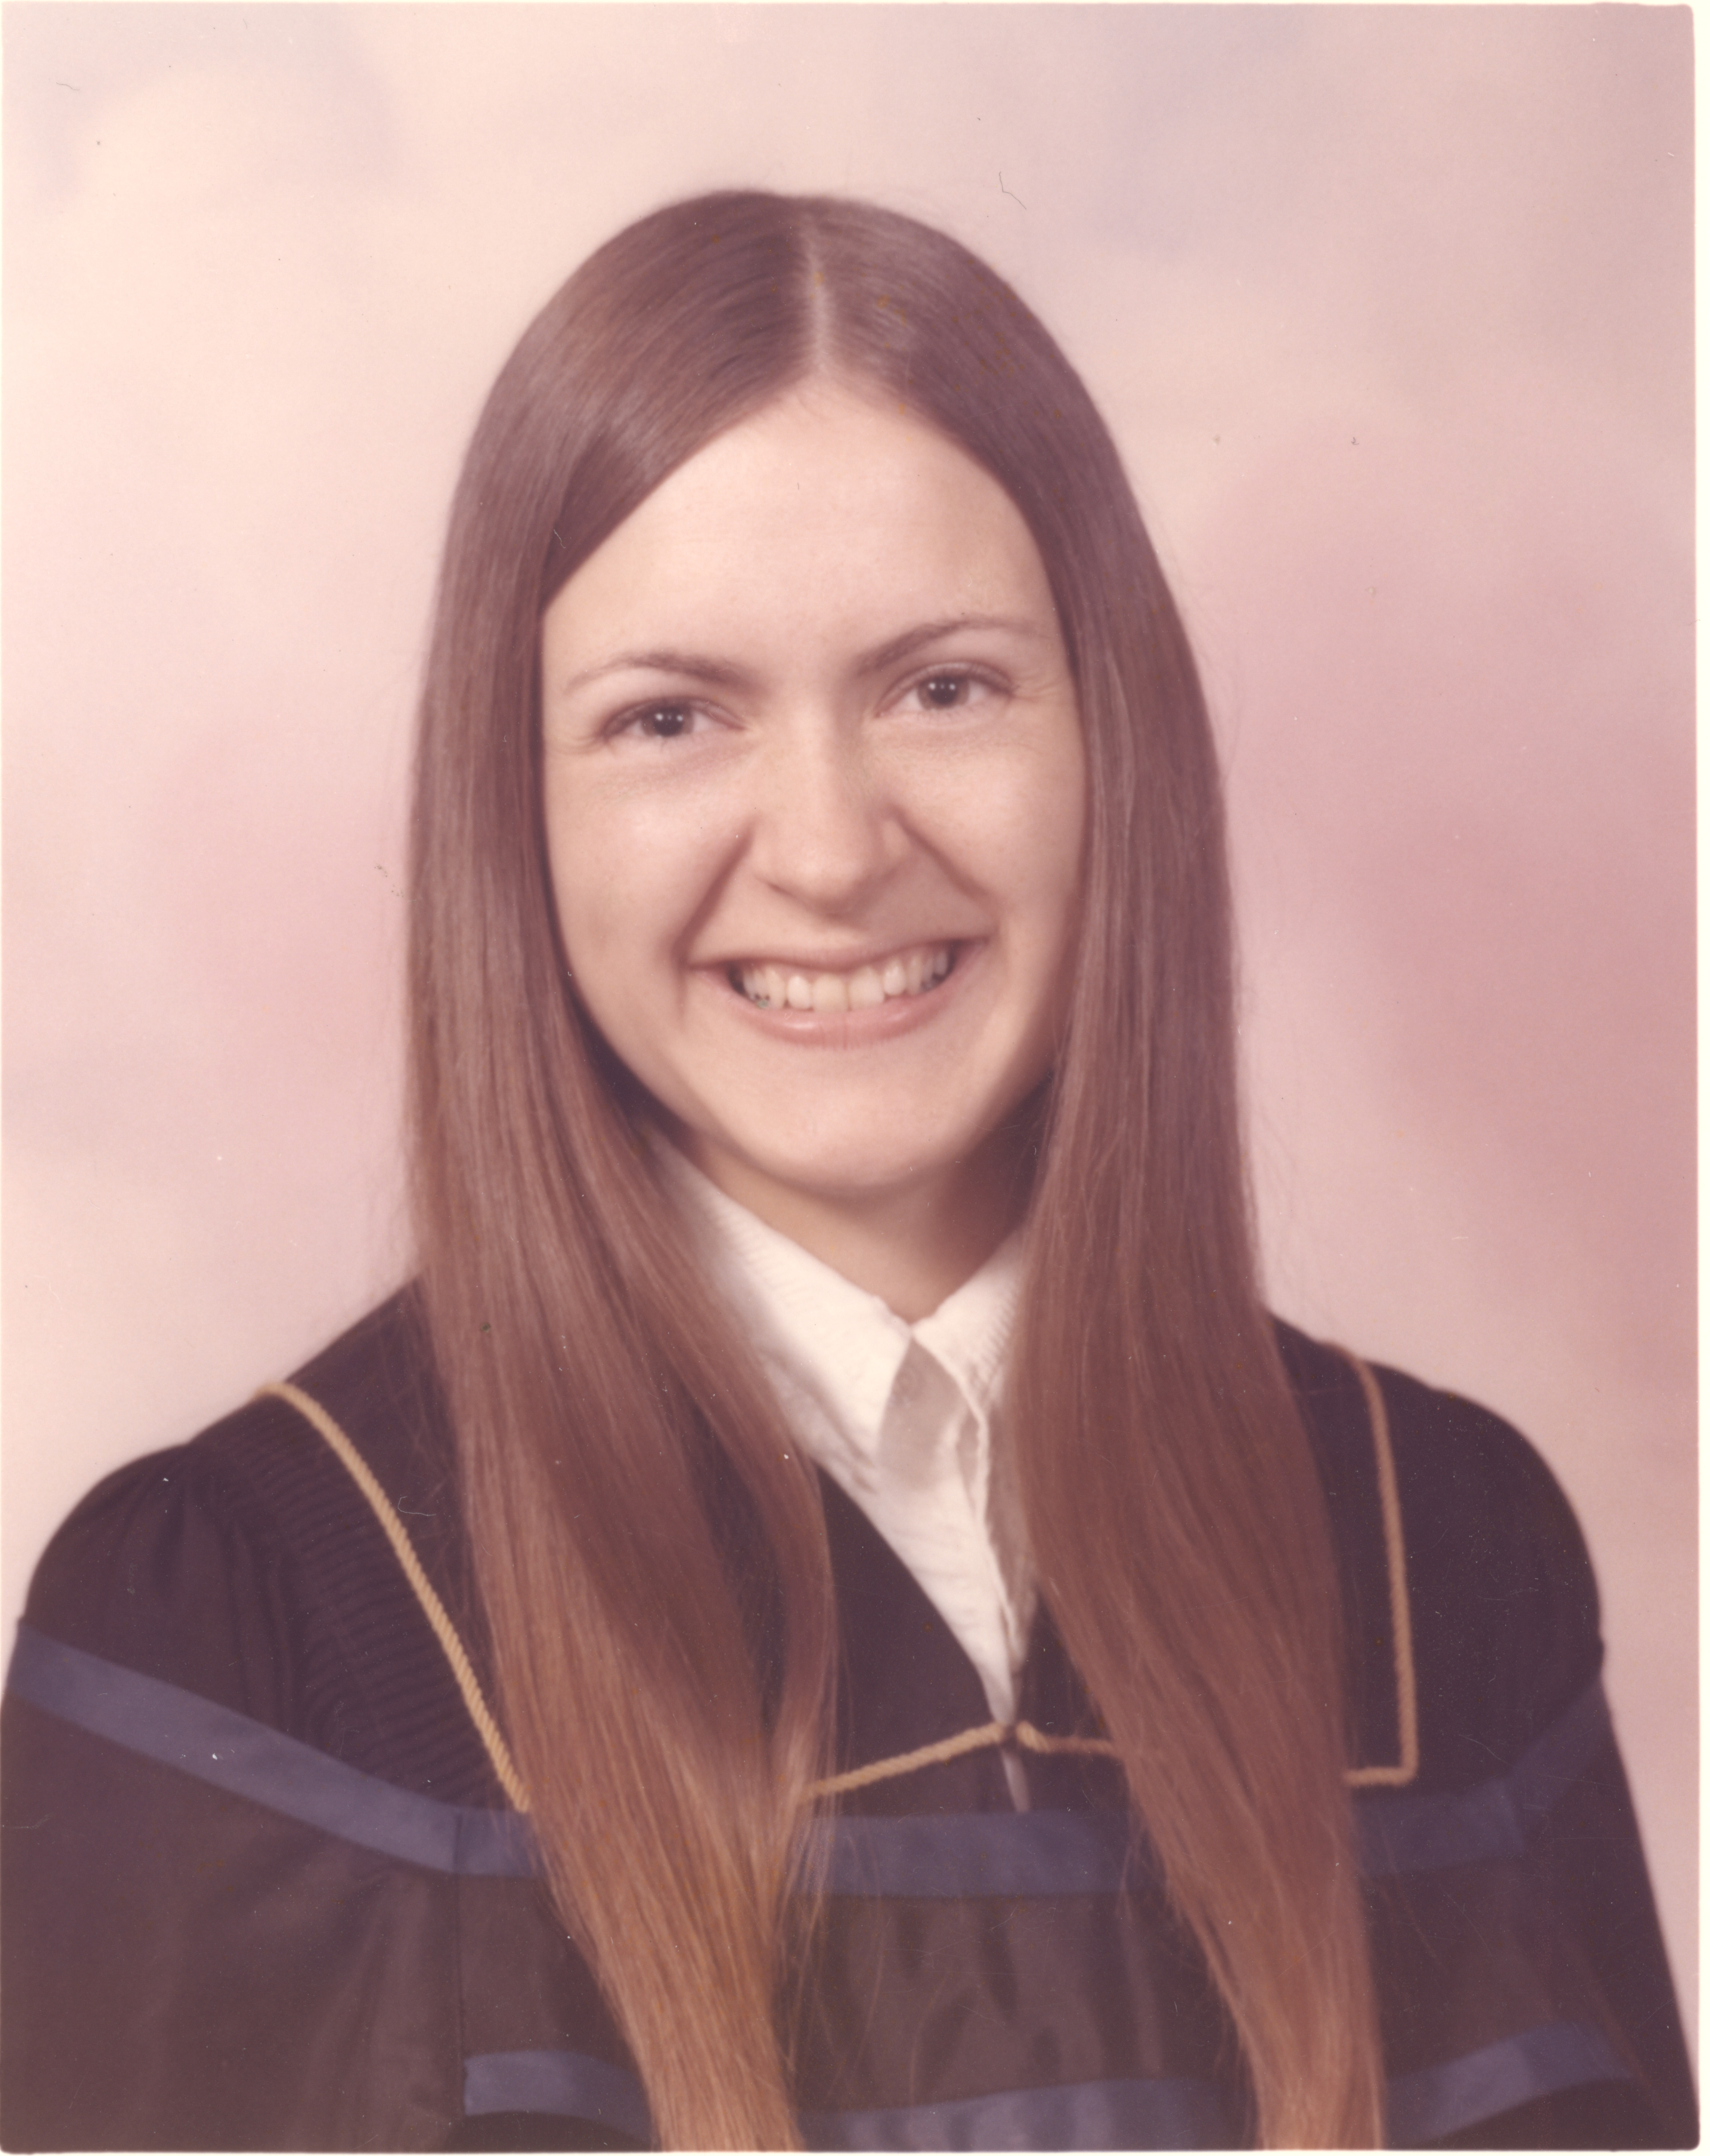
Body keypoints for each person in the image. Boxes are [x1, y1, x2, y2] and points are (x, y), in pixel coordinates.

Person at [1, 192, 1692, 2153]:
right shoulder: (257, 1644)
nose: (827, 849)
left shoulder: (1443, 1564)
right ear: (512, 812)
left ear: (1115, 740)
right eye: (667, 718)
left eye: (942, 687)